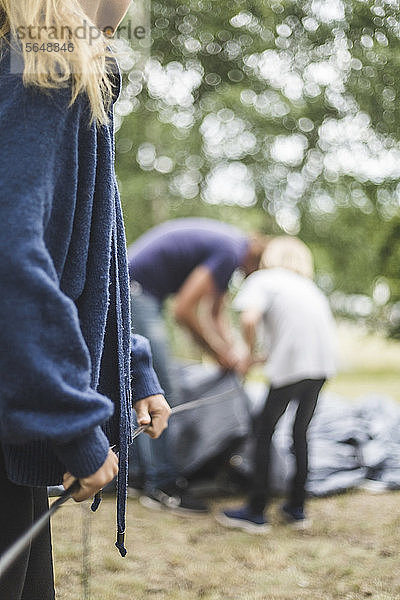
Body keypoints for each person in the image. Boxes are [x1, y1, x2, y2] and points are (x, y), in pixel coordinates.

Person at [0, 1, 170, 599]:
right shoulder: (39, 61)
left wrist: (128, 361)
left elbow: (76, 252)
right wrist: (72, 419)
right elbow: (10, 257)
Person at [128, 218, 267, 514]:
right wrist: (218, 352)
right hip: (134, 288)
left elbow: (216, 313)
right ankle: (162, 484)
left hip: (141, 290)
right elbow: (184, 310)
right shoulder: (230, 251)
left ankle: (139, 476)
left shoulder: (230, 248)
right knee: (161, 390)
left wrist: (231, 352)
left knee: (143, 389)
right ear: (255, 263)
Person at [217, 236, 337, 533]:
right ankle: (297, 509)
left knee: (263, 429)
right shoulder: (310, 288)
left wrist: (248, 353)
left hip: (291, 366)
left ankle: (256, 511)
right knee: (300, 433)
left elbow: (248, 319)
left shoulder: (264, 279)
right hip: (322, 366)